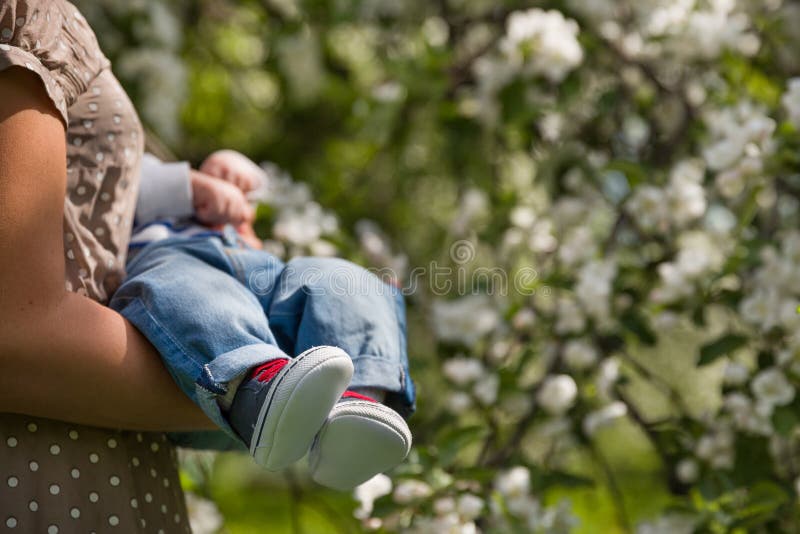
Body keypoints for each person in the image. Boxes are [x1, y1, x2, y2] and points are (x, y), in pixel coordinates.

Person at [116, 148, 415, 491]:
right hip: (195, 352)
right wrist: (189, 186)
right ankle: (258, 387)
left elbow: (252, 187)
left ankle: (356, 407)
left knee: (341, 279)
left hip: (257, 276)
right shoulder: (123, 171)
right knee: (187, 290)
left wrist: (233, 171)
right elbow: (109, 182)